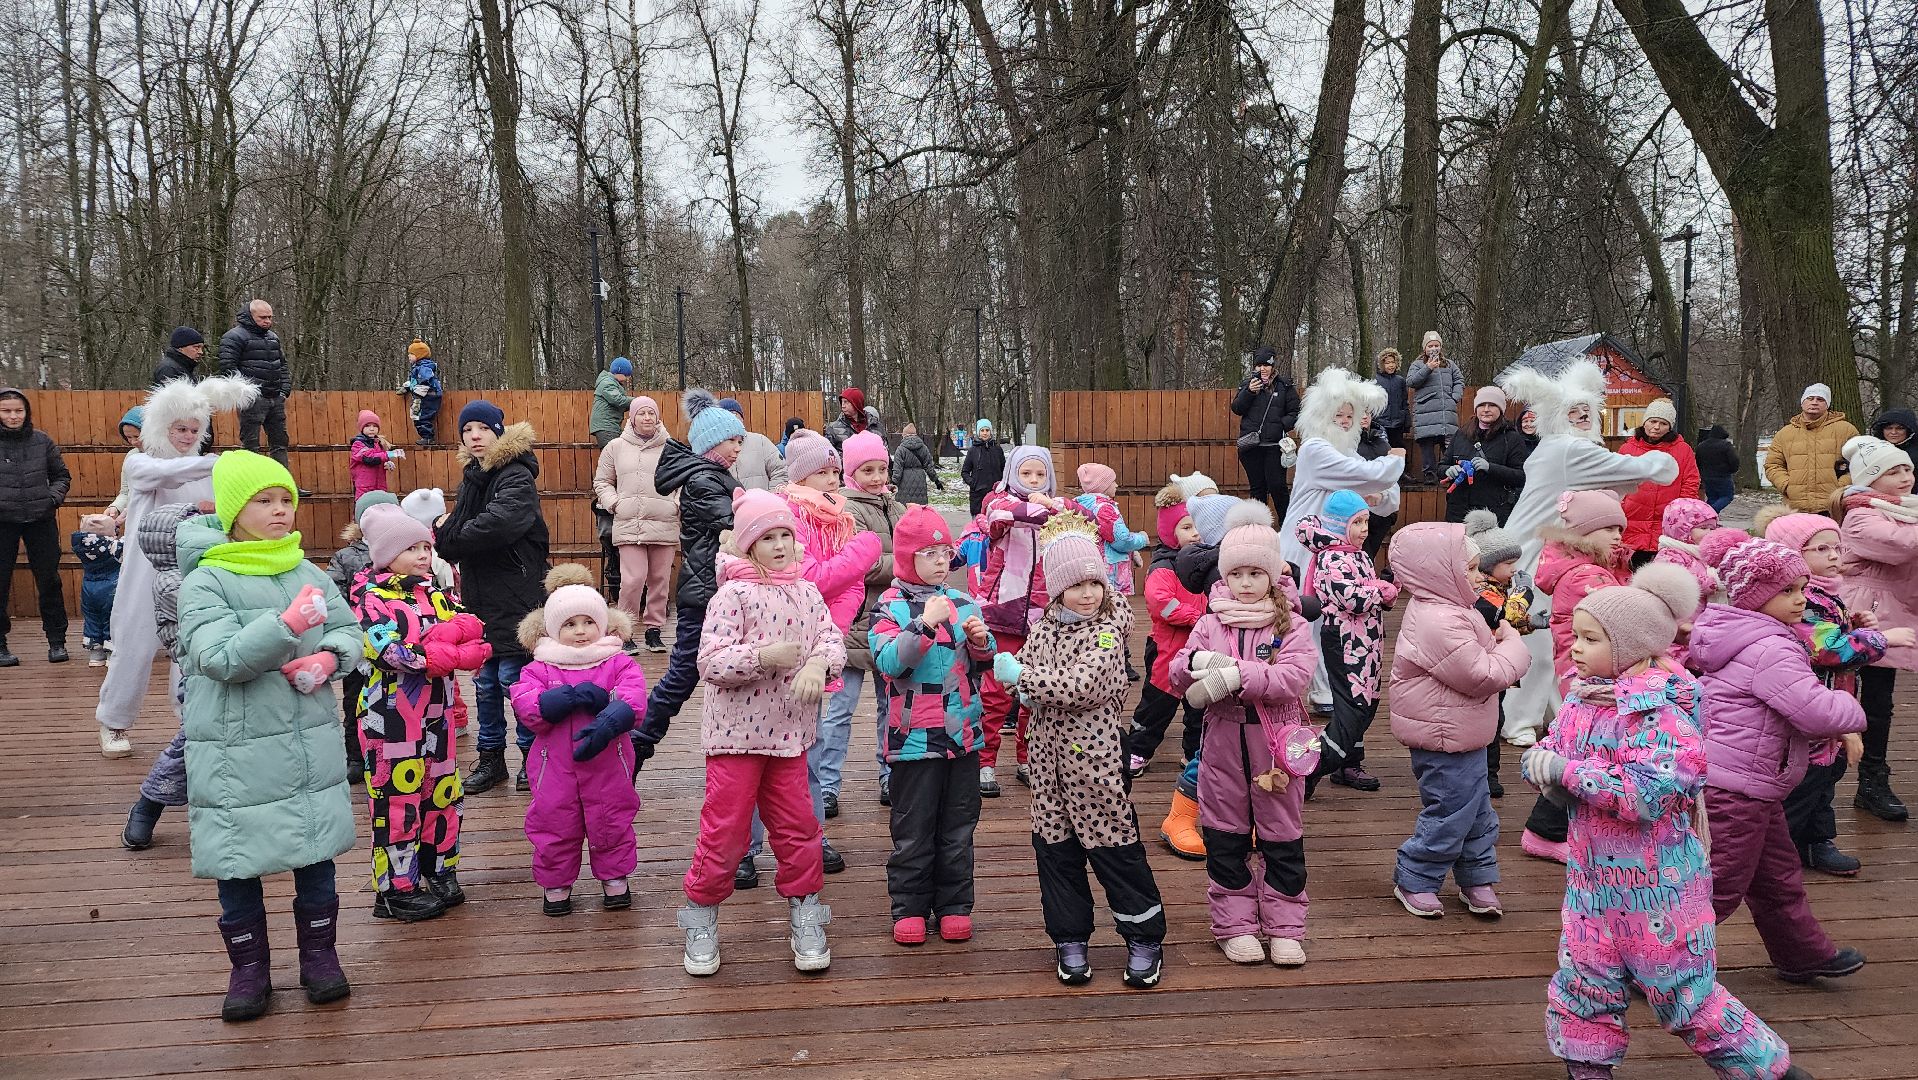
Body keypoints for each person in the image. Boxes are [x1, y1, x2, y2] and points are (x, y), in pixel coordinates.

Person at [1522, 564, 1804, 1080]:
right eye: (1577, 637)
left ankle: (1766, 1068)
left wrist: (1568, 772)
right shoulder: (1583, 700)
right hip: (1590, 884)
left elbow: (1649, 792)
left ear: (1631, 646)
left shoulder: (1661, 713)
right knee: (1584, 983)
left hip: (1660, 886)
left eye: (1590, 639)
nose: (1575, 648)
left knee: (1683, 992)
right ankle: (1587, 1068)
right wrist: (1541, 766)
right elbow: (1551, 749)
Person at [175, 451, 360, 1022]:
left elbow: (349, 630)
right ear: (234, 510)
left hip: (306, 741)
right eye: (264, 501)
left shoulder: (307, 572)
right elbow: (218, 657)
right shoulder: (206, 579)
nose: (280, 511)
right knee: (236, 860)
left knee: (315, 852)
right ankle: (249, 969)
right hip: (235, 750)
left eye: (286, 500)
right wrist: (287, 626)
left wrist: (330, 659)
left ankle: (320, 957)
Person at [991, 514, 1165, 990]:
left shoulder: (1107, 632)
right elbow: (1024, 679)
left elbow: (1081, 686)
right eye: (1076, 585)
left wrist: (1023, 678)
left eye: (1095, 583)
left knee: (1115, 851)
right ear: (1057, 590)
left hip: (1094, 766)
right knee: (1056, 855)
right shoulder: (1044, 628)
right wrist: (1011, 675)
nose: (1088, 594)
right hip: (1047, 768)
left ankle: (1143, 936)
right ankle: (1069, 937)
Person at [677, 489, 845, 977]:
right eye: (768, 537)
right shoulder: (732, 594)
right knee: (725, 831)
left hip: (790, 736)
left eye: (786, 535)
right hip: (735, 739)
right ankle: (701, 916)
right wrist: (763, 657)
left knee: (800, 828)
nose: (779, 545)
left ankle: (806, 912)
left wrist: (818, 664)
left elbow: (831, 638)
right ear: (749, 544)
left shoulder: (808, 592)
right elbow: (710, 661)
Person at [1691, 533, 1869, 985]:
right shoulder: (1771, 647)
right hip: (1737, 786)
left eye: (1802, 588)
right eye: (1787, 590)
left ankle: (1801, 952)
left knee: (1776, 876)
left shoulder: (1744, 636)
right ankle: (1657, 959)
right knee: (1720, 881)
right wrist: (1850, 710)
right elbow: (1813, 710)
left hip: (1752, 779)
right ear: (1754, 596)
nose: (1800, 599)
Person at [1495, 358, 1677, 750]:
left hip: (1554, 554)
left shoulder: (1565, 449)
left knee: (1558, 635)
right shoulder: (1566, 449)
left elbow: (1613, 484)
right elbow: (1646, 469)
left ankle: (1555, 713)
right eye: (1573, 411)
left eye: (1586, 411)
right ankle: (1517, 720)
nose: (1581, 417)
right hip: (1531, 556)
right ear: (1556, 417)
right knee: (1535, 640)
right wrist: (1663, 459)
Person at [1171, 508, 1317, 966]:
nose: (1246, 583)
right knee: (1225, 834)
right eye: (1236, 573)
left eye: (1256, 573)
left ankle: (1285, 927)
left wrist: (1238, 674)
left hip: (1275, 745)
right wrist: (1194, 665)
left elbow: (1294, 677)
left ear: (1272, 574)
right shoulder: (1210, 621)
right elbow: (1178, 672)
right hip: (1222, 742)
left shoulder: (1291, 624)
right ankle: (1235, 925)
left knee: (1282, 835)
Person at [94, 375, 256, 756]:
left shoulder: (206, 470)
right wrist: (214, 464)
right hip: (144, 571)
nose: (188, 435)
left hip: (190, 570)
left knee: (191, 644)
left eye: (194, 429)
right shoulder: (140, 463)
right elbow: (165, 474)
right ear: (162, 427)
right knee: (133, 645)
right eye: (180, 428)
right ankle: (113, 721)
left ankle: (191, 719)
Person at [350, 504, 491, 922]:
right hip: (390, 715)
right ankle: (395, 889)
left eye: (426, 547)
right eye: (411, 548)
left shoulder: (434, 591)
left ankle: (438, 869)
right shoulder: (371, 598)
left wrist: (452, 643)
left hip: (438, 710)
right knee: (397, 799)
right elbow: (386, 650)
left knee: (443, 791)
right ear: (386, 554)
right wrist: (439, 655)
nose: (423, 555)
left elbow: (470, 625)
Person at [751, 430, 881, 879]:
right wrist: (861, 555)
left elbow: (851, 589)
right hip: (774, 648)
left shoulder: (840, 518)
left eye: (834, 471)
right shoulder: (786, 517)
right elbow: (812, 577)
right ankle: (747, 847)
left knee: (809, 746)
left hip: (818, 650)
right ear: (801, 476)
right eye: (822, 472)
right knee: (757, 755)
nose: (831, 480)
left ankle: (812, 835)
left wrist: (832, 633)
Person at [1386, 521, 1531, 919]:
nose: (1478, 575)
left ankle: (1477, 875)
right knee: (1451, 811)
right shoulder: (1439, 620)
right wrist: (1514, 644)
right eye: (1469, 569)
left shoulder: (1453, 609)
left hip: (1462, 729)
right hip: (1443, 734)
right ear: (1440, 573)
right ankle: (1416, 876)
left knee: (1478, 810)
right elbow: (1481, 674)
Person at [869, 504, 995, 945]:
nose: (942, 561)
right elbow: (891, 663)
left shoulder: (963, 602)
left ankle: (955, 905)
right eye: (930, 554)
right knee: (913, 829)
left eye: (946, 552)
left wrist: (981, 643)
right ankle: (909, 907)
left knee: (959, 827)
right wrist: (924, 624)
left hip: (962, 737)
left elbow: (982, 665)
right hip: (912, 742)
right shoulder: (889, 606)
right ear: (908, 558)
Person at [1761, 508, 1904, 877]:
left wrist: (1853, 624)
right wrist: (1880, 638)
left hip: (1827, 707)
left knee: (1826, 776)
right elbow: (1827, 650)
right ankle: (1776, 857)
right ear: (1791, 554)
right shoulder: (1802, 599)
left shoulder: (1825, 595)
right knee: (1803, 784)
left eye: (1838, 548)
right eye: (1821, 549)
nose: (1834, 557)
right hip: (1806, 709)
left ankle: (1816, 842)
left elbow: (1832, 635)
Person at [509, 567, 649, 916]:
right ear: (554, 629)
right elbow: (524, 702)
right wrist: (552, 702)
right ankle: (556, 881)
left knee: (611, 818)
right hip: (555, 766)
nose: (581, 631)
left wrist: (611, 716)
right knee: (554, 822)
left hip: (608, 761)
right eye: (570, 624)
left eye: (588, 622)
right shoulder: (540, 667)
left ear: (602, 624)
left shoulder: (618, 662)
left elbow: (633, 697)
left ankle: (615, 876)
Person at [434, 400, 550, 795]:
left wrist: (451, 535)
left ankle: (532, 757)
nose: (475, 436)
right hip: (481, 596)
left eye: (482, 428)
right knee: (484, 683)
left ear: (498, 431)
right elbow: (454, 533)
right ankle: (491, 758)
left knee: (513, 680)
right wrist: (450, 534)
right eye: (467, 430)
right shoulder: (473, 477)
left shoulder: (516, 474)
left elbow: (498, 525)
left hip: (516, 595)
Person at [1518, 490, 1633, 863]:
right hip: (1593, 673)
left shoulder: (1586, 568)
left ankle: (1560, 826)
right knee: (1586, 749)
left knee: (1584, 746)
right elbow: (1624, 620)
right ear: (1584, 532)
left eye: (1620, 528)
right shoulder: (1587, 575)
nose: (1618, 535)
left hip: (1582, 671)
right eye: (1609, 528)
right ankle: (1544, 832)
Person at [640, 389, 744, 744]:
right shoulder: (703, 481)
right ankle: (639, 739)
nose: (738, 447)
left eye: (740, 441)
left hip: (718, 589)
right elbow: (734, 522)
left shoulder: (716, 475)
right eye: (732, 440)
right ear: (712, 442)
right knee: (683, 673)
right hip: (703, 592)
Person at [1834, 435, 1918, 823]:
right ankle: (1824, 780)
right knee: (1844, 696)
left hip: (1895, 610)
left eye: (1908, 469)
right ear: (1871, 479)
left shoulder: (1904, 509)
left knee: (1880, 703)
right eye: (1894, 471)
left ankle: (1872, 781)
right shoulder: (1860, 515)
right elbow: (1900, 546)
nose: (1906, 477)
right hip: (1864, 613)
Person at [1296, 489, 1397, 793]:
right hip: (1344, 640)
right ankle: (1310, 768)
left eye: (1366, 521)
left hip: (1367, 641)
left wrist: (1387, 585)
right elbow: (1351, 598)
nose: (1365, 529)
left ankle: (1348, 763)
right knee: (1354, 705)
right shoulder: (1331, 557)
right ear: (1340, 524)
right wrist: (1382, 591)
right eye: (1357, 522)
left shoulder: (1357, 553)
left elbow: (1371, 593)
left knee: (1367, 702)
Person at [975, 444, 1063, 796]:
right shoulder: (999, 501)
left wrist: (1055, 507)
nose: (1034, 480)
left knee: (1033, 692)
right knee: (995, 693)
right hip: (1003, 611)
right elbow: (1002, 517)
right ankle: (984, 760)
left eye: (1041, 474)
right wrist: (1048, 507)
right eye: (1026, 473)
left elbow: (1085, 518)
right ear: (1013, 474)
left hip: (1044, 614)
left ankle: (1028, 758)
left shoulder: (1057, 508)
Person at [117, 502, 202, 851]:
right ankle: (148, 804)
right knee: (190, 743)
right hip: (200, 676)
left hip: (238, 668)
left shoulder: (205, 571)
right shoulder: (173, 583)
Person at [1135, 484, 1208, 857]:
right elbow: (1160, 604)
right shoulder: (1164, 566)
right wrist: (1198, 616)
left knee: (1198, 706)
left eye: (1196, 527)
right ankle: (1139, 749)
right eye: (1185, 527)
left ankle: (1193, 751)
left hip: (1199, 651)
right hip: (1167, 649)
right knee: (1157, 704)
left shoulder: (1204, 562)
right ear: (1168, 531)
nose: (1193, 534)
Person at [841, 432, 904, 806]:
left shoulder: (896, 508)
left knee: (890, 705)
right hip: (856, 621)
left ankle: (889, 775)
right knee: (841, 709)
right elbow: (863, 565)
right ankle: (827, 785)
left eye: (882, 468)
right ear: (852, 473)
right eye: (868, 470)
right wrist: (908, 563)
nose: (878, 477)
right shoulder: (848, 511)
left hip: (891, 622)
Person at [329, 491, 404, 784]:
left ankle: (391, 752)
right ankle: (356, 757)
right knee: (354, 701)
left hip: (395, 644)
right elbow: (334, 595)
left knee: (395, 699)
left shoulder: (404, 551)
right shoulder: (346, 557)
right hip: (361, 644)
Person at [594, 396, 678, 654]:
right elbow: (602, 482)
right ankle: (625, 630)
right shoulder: (615, 447)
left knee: (660, 580)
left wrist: (676, 504)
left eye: (651, 413)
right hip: (629, 523)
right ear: (631, 418)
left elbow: (683, 481)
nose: (647, 418)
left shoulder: (671, 448)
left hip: (664, 522)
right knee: (633, 579)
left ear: (658, 417)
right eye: (641, 413)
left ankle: (654, 630)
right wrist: (614, 503)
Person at [1464, 511, 1533, 797]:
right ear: (1488, 565)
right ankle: (1485, 775)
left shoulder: (1499, 588)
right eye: (1508, 563)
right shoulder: (1484, 592)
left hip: (1496, 663)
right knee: (1490, 720)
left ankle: (1488, 772)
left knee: (1496, 717)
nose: (1514, 569)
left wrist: (1531, 623)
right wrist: (1525, 594)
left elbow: (1507, 624)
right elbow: (1504, 615)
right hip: (1488, 663)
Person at [0, 388, 71, 667]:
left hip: (40, 520)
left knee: (49, 580)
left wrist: (50, 500)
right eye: (6, 411)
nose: (13, 416)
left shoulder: (42, 441)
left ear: (26, 412)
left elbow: (61, 476)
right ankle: (1, 646)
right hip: (3, 523)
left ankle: (57, 641)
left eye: (18, 410)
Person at [1072, 461, 1149, 679]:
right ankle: (1117, 659)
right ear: (1103, 486)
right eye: (1112, 482)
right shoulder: (1104, 508)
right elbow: (1120, 540)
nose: (1116, 485)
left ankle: (1103, 656)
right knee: (1113, 617)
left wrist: (1132, 553)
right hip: (1110, 573)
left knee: (1097, 616)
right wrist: (1141, 539)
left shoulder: (1082, 505)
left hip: (1093, 567)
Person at [1618, 398, 1700, 561]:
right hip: (1632, 518)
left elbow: (1690, 481)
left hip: (1667, 518)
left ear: (1669, 427)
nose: (1656, 427)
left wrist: (1681, 510)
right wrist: (1621, 505)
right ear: (1645, 422)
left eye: (1663, 423)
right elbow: (1617, 480)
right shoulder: (1628, 448)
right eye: (1653, 421)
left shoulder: (1683, 450)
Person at [218, 300, 294, 473]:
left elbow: (282, 365)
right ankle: (252, 480)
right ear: (250, 316)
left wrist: (284, 390)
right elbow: (228, 368)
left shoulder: (273, 337)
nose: (267, 321)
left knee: (280, 443)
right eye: (263, 317)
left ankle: (283, 481)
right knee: (250, 445)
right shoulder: (233, 337)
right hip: (251, 400)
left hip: (275, 397)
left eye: (270, 317)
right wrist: (246, 394)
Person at [1230, 345, 1302, 521]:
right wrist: (1249, 392)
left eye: (1266, 365)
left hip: (1274, 446)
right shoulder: (1246, 385)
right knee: (1257, 488)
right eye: (1259, 365)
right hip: (1251, 446)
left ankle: (1287, 525)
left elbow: (1296, 412)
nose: (1262, 369)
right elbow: (1237, 408)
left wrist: (1280, 425)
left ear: (1272, 366)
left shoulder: (1285, 386)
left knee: (1277, 487)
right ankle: (1258, 527)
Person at [1764, 383, 1858, 513]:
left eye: (1820, 399)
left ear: (1827, 404)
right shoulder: (1784, 434)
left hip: (1833, 506)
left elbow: (1859, 462)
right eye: (1810, 398)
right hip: (1795, 508)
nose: (1814, 402)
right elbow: (1773, 464)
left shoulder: (1846, 430)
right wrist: (1787, 485)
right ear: (1802, 402)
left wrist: (1840, 486)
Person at [1441, 387, 1529, 523]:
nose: (1486, 409)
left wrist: (1491, 468)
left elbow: (1522, 476)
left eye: (1492, 405)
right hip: (1457, 512)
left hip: (1493, 514)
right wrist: (1448, 470)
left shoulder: (1512, 438)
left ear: (1501, 409)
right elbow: (1442, 466)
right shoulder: (1461, 434)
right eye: (1482, 405)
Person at [1404, 331, 1463, 481]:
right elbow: (1411, 382)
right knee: (1427, 445)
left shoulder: (1449, 364)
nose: (1434, 348)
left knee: (1449, 446)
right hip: (1426, 412)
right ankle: (1429, 475)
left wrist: (1454, 397)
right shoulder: (1417, 364)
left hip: (1446, 412)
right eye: (1430, 346)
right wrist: (1428, 368)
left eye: (1436, 345)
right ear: (1424, 348)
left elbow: (1459, 380)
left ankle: (1451, 474)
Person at [71, 513, 123, 667]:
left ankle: (95, 654)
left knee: (92, 619)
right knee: (111, 619)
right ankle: (111, 653)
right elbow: (130, 543)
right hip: (110, 588)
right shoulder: (113, 547)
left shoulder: (80, 545)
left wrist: (113, 525)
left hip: (89, 589)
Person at [719, 397, 789, 490]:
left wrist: (771, 496)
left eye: (734, 416)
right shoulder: (714, 450)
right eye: (725, 417)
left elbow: (780, 471)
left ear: (742, 419)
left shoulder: (761, 442)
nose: (731, 421)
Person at [347, 409, 398, 501]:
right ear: (361, 428)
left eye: (375, 426)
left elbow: (380, 458)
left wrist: (388, 463)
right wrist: (389, 454)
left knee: (380, 506)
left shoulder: (378, 443)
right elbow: (369, 458)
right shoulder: (358, 444)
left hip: (380, 484)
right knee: (364, 507)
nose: (371, 429)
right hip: (364, 486)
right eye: (367, 426)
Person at [399, 341, 443, 445]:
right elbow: (415, 382)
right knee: (419, 415)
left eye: (411, 354)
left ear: (419, 355)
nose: (409, 356)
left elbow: (425, 381)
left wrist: (417, 393)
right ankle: (427, 437)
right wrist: (407, 386)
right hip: (425, 395)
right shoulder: (419, 367)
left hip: (428, 396)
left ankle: (428, 437)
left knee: (422, 416)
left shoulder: (424, 367)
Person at [961, 418, 1005, 516]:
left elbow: (1004, 470)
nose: (985, 433)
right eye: (982, 430)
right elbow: (965, 472)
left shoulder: (997, 450)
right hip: (978, 495)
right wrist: (973, 483)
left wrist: (1002, 485)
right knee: (978, 522)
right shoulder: (973, 451)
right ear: (978, 432)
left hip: (996, 495)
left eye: (987, 430)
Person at [589, 357, 635, 448]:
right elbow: (618, 400)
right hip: (606, 427)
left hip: (609, 426)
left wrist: (633, 405)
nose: (627, 378)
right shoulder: (607, 383)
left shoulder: (612, 383)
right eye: (626, 375)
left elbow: (620, 405)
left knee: (615, 453)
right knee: (612, 454)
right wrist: (637, 401)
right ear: (619, 371)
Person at [892, 423, 943, 505]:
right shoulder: (924, 448)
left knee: (904, 507)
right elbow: (929, 466)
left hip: (904, 481)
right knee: (920, 506)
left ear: (904, 435)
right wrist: (936, 481)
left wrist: (893, 483)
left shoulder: (900, 449)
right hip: (920, 479)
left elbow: (897, 469)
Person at [1695, 423, 1739, 512]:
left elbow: (1697, 462)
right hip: (1723, 477)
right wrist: (1732, 470)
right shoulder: (1726, 445)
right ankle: (1709, 512)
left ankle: (1708, 516)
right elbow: (1734, 461)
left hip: (1707, 477)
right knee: (1727, 496)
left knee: (1712, 498)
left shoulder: (1701, 446)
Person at [1373, 348, 1410, 451]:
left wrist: (1406, 421)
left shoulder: (1400, 381)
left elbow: (1404, 402)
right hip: (1381, 423)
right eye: (1387, 363)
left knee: (1398, 450)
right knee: (1383, 450)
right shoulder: (1375, 380)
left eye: (1393, 362)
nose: (1391, 365)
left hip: (1397, 424)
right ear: (1382, 364)